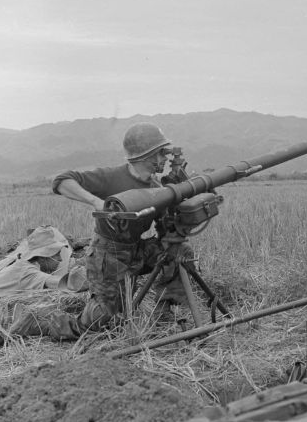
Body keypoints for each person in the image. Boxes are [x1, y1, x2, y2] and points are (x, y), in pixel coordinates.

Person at [37, 122, 192, 340]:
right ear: (146, 156)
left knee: (179, 250)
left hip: (135, 251)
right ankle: (40, 323)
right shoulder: (110, 177)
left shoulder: (156, 188)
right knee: (103, 320)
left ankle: (163, 312)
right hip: (107, 257)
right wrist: (96, 202)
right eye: (160, 152)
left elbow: (166, 232)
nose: (165, 157)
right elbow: (61, 181)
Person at [0, 226, 87, 349]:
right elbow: (60, 283)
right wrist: (89, 281)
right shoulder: (29, 272)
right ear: (45, 255)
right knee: (31, 317)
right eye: (56, 254)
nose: (59, 259)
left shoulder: (24, 265)